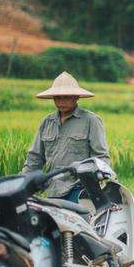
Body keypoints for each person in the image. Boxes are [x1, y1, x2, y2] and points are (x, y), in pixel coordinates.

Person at [23, 72, 110, 201]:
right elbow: (34, 159)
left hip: (80, 189)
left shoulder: (91, 121)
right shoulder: (47, 122)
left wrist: (86, 171)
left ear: (76, 97)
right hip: (53, 190)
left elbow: (102, 159)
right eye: (57, 98)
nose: (61, 101)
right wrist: (22, 182)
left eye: (66, 97)